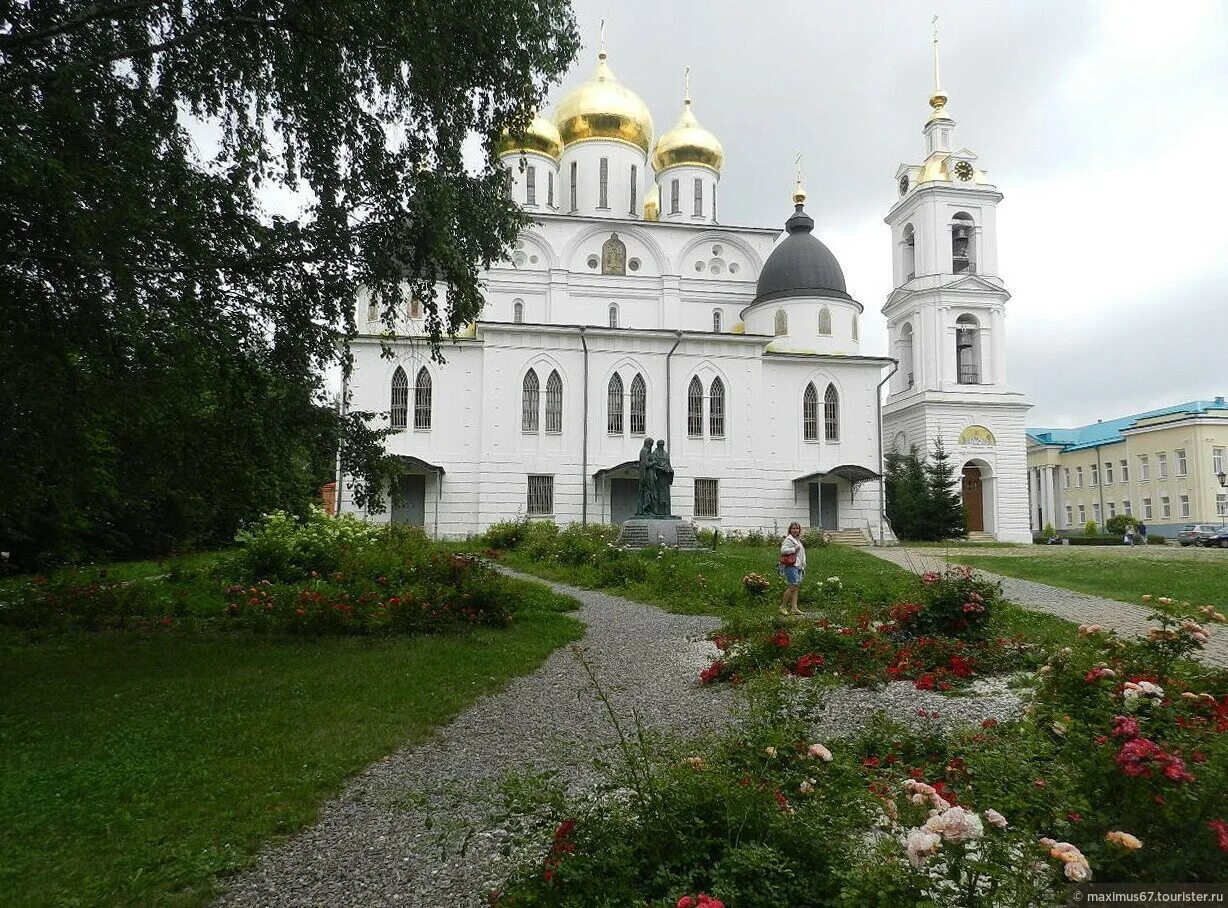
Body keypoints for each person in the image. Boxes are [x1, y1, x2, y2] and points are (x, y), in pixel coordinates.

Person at [777, 522, 806, 616]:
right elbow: (783, 550)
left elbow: (801, 554)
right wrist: (794, 549)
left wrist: (803, 565)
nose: (795, 530)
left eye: (797, 529)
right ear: (790, 530)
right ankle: (783, 606)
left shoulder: (797, 540)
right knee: (793, 586)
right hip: (791, 566)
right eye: (793, 528)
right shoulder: (789, 539)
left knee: (795, 587)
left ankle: (794, 608)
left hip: (798, 566)